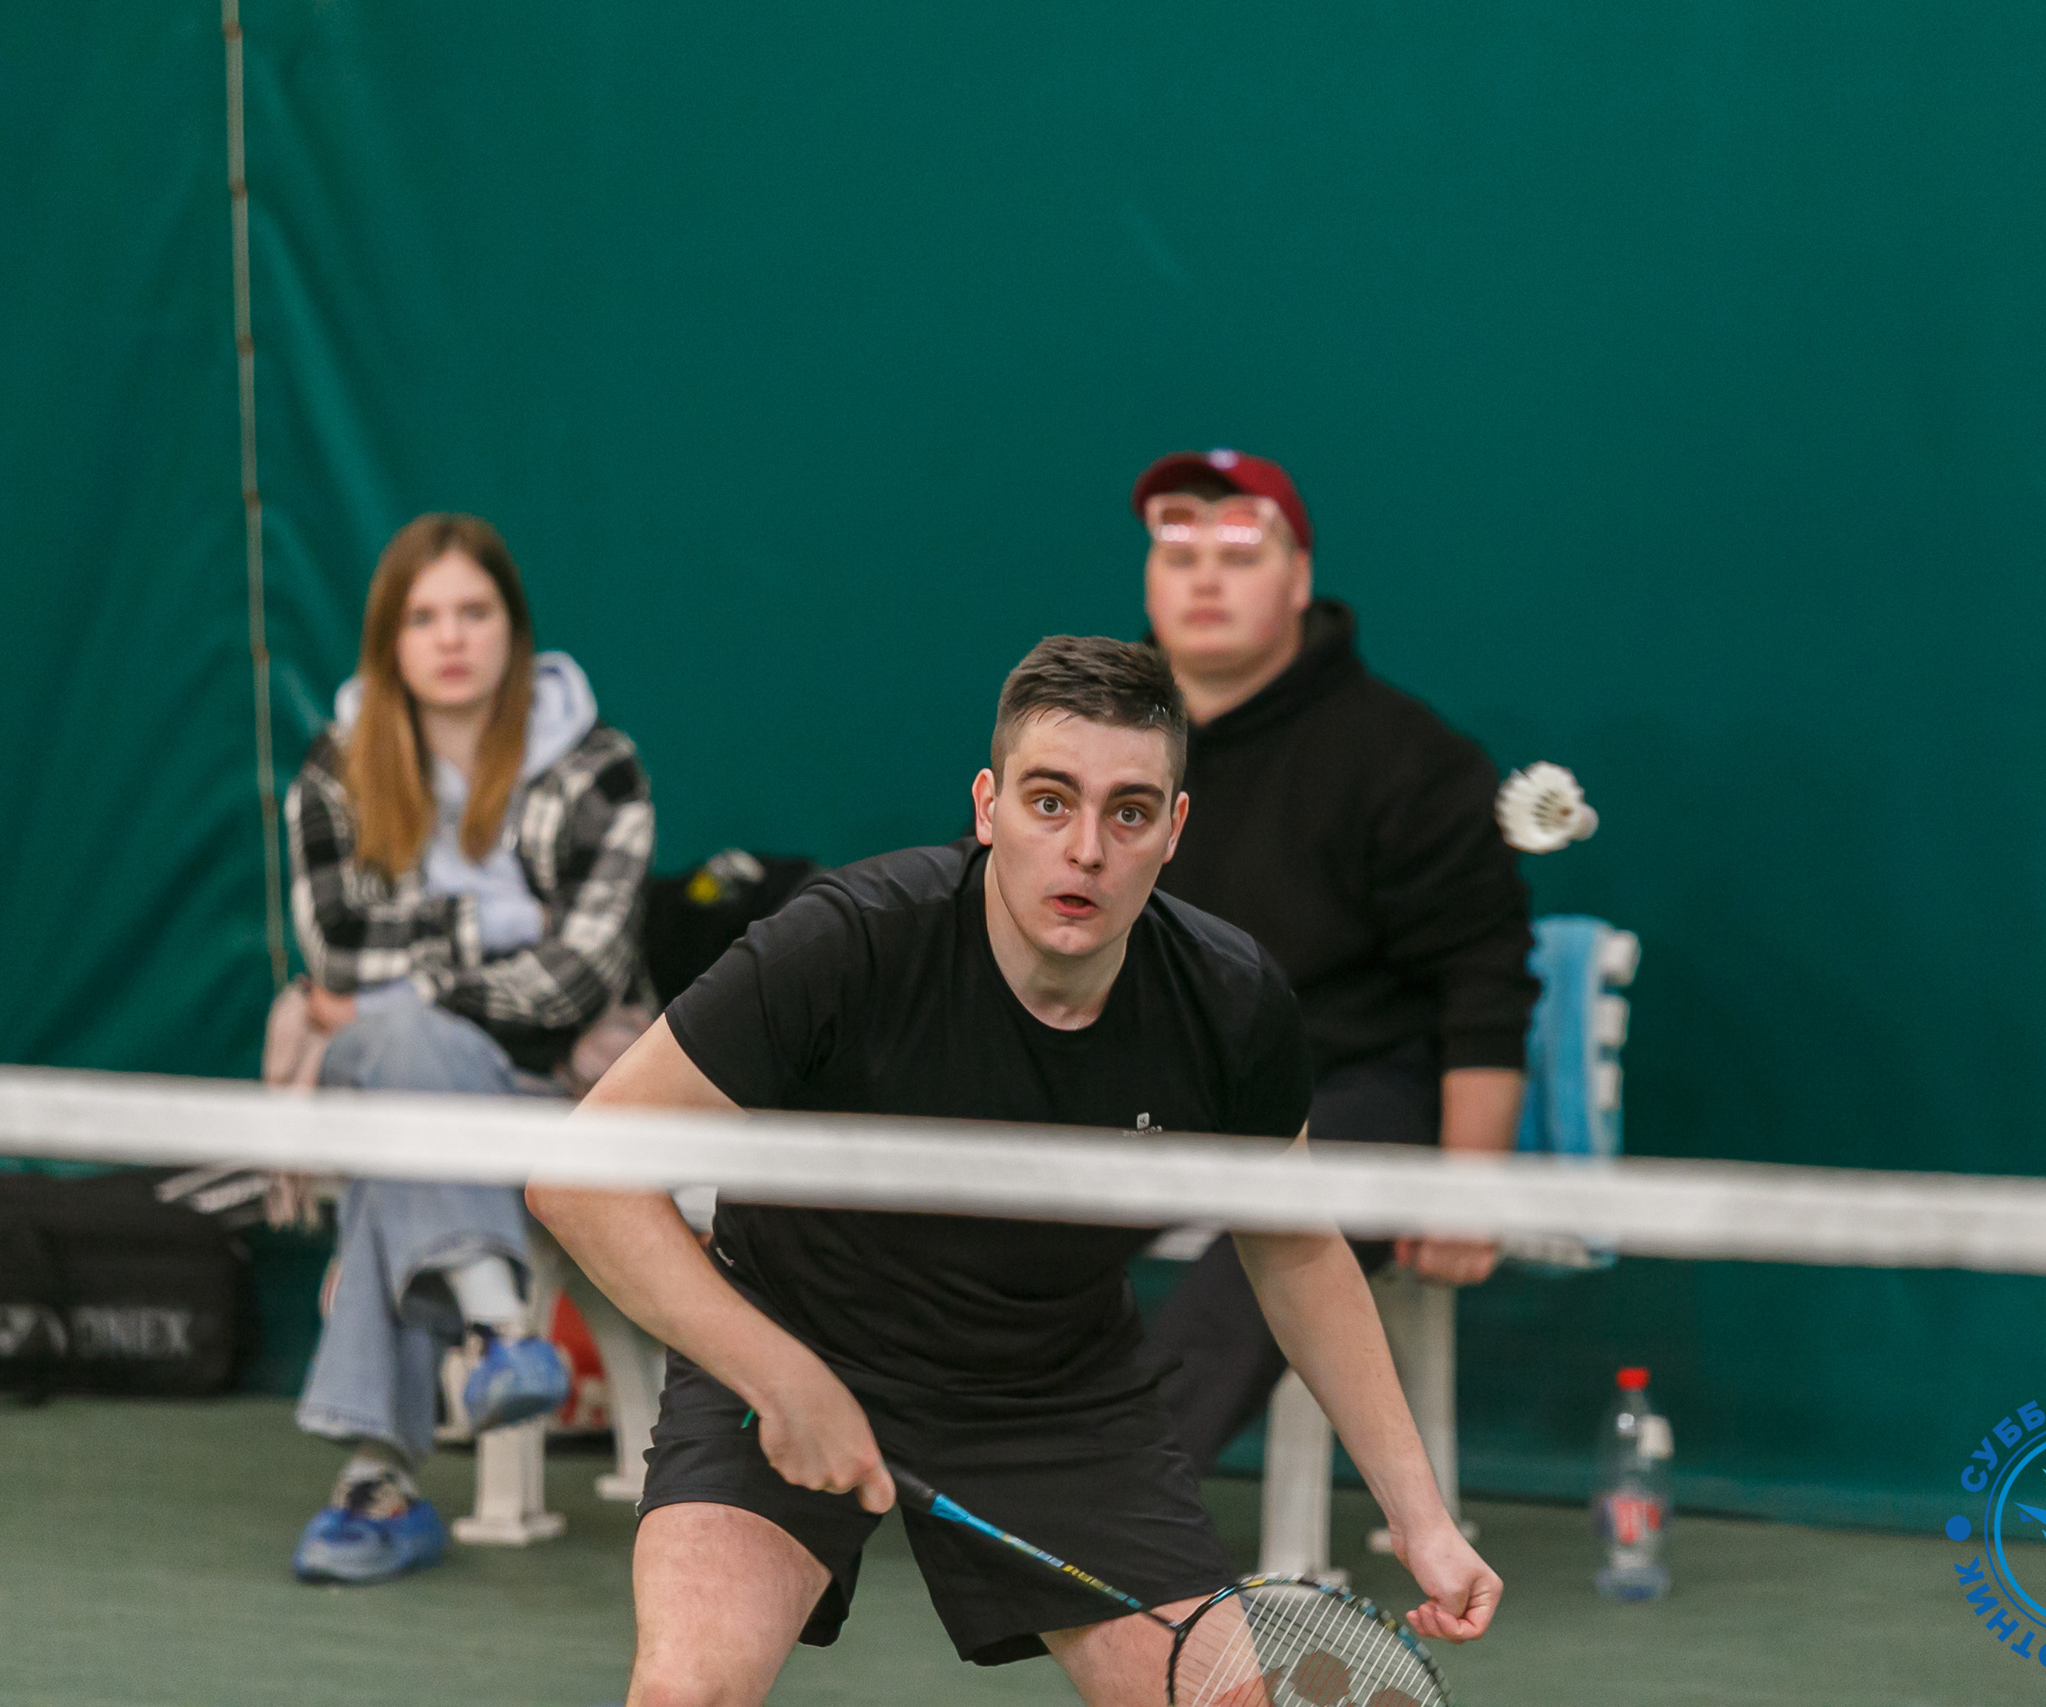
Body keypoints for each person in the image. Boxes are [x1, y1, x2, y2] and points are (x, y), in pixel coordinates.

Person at [529, 637, 1498, 1707]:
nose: (1084, 848)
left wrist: (1421, 1517)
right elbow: (579, 1174)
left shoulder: (1229, 1004)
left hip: (1050, 1395)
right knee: (687, 1692)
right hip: (787, 1341)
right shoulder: (847, 945)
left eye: (1128, 812)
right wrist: (773, 1370)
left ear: (1173, 831)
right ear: (987, 806)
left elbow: (1298, 1249)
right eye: (1050, 801)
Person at [1129, 449, 1538, 1474]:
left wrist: (1469, 1188)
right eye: (1178, 554)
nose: (1206, 580)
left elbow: (1482, 980)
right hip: (1142, 1078)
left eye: (1240, 551)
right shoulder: (1098, 743)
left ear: (1300, 580)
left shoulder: (1406, 758)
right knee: (955, 1199)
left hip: (1350, 1088)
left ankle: (1113, 1493)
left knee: (1285, 1228)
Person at [281, 512, 654, 1584]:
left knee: (400, 1076)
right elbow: (335, 947)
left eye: (474, 612)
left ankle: (376, 1486)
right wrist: (494, 938)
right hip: (417, 1073)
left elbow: (578, 982)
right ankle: (499, 1329)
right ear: (388, 641)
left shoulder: (599, 767)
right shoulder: (336, 768)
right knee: (402, 1054)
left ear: (514, 626)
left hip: (557, 1094)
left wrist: (411, 988)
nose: (450, 638)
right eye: (423, 616)